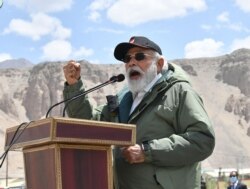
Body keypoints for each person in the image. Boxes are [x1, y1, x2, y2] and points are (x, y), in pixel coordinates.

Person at [63, 36, 215, 189]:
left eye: (140, 56)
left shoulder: (179, 92)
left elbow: (202, 140)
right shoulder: (123, 100)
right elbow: (87, 123)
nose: (131, 62)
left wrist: (147, 151)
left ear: (159, 64)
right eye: (127, 59)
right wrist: (74, 85)